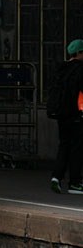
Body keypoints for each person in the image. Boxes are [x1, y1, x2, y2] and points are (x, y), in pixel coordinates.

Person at [50, 39, 83, 194]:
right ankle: (75, 183)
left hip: (61, 114)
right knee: (77, 148)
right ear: (79, 53)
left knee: (64, 145)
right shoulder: (80, 69)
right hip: (76, 113)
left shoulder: (61, 68)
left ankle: (56, 177)